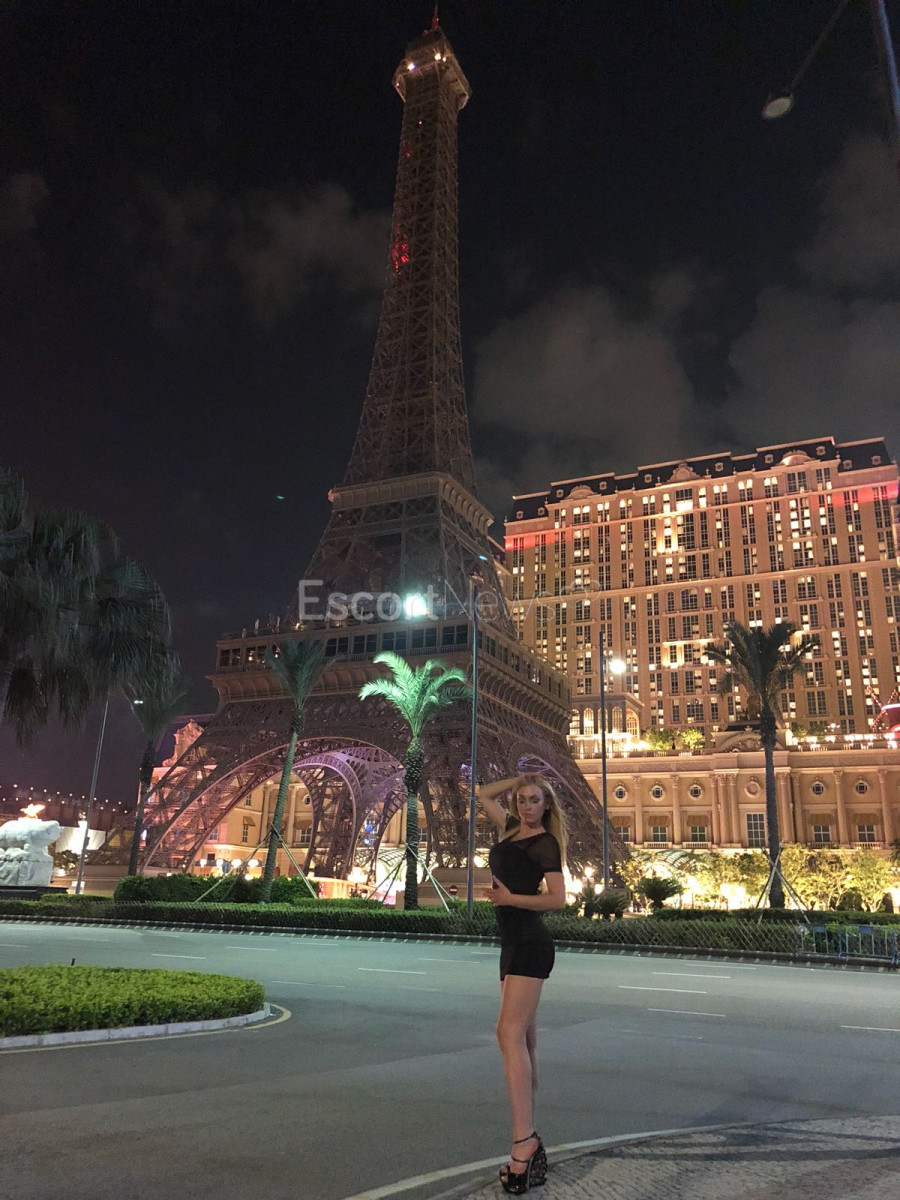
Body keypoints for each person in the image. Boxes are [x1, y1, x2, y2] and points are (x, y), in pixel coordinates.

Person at [477, 773, 567, 1194]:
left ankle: (523, 1143)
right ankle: (528, 1135)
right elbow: (482, 794)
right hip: (512, 944)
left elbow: (558, 898)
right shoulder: (511, 830)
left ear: (546, 805)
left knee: (507, 1035)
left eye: (535, 800)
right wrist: (523, 778)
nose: (528, 806)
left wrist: (510, 899)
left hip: (531, 943)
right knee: (524, 1043)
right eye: (523, 800)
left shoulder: (545, 842)